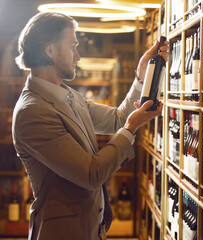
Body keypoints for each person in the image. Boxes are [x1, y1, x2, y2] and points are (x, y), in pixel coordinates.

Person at [12, 12, 168, 240]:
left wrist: (141, 76)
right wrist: (131, 128)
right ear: (50, 51)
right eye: (73, 46)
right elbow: (91, 173)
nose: (78, 55)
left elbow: (117, 118)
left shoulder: (67, 95)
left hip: (90, 228)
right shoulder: (32, 112)